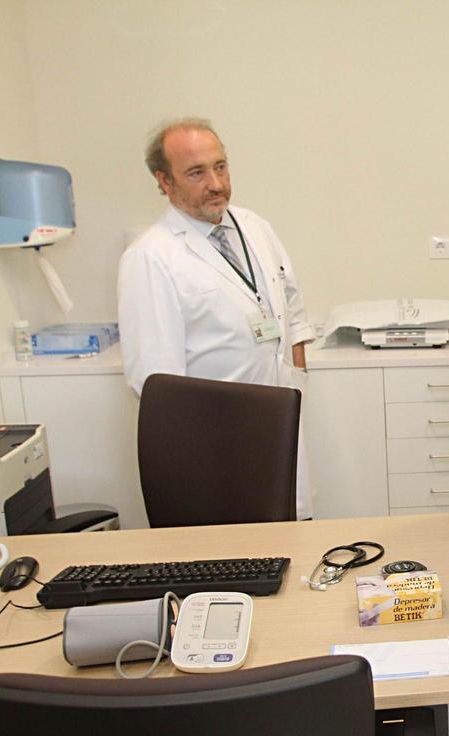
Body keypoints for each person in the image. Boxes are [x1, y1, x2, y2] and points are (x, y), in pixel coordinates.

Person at [118, 118, 316, 519]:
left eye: (220, 166)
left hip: (280, 426)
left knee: (293, 542)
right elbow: (156, 382)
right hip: (214, 446)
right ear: (164, 181)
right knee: (234, 565)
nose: (216, 183)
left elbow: (291, 306)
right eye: (196, 172)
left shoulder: (254, 227)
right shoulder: (151, 258)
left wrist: (296, 379)